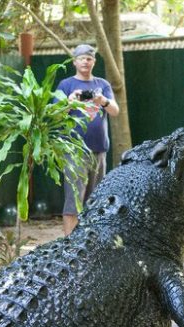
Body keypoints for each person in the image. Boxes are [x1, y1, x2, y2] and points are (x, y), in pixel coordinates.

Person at [56, 44, 120, 235]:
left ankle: (90, 245)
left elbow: (115, 111)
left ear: (94, 62)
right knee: (73, 202)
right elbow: (56, 116)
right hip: (74, 153)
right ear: (74, 62)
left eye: (89, 58)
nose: (85, 61)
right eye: (82, 58)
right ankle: (70, 248)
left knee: (96, 202)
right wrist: (70, 101)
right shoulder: (66, 85)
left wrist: (103, 101)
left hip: (99, 152)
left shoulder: (103, 85)